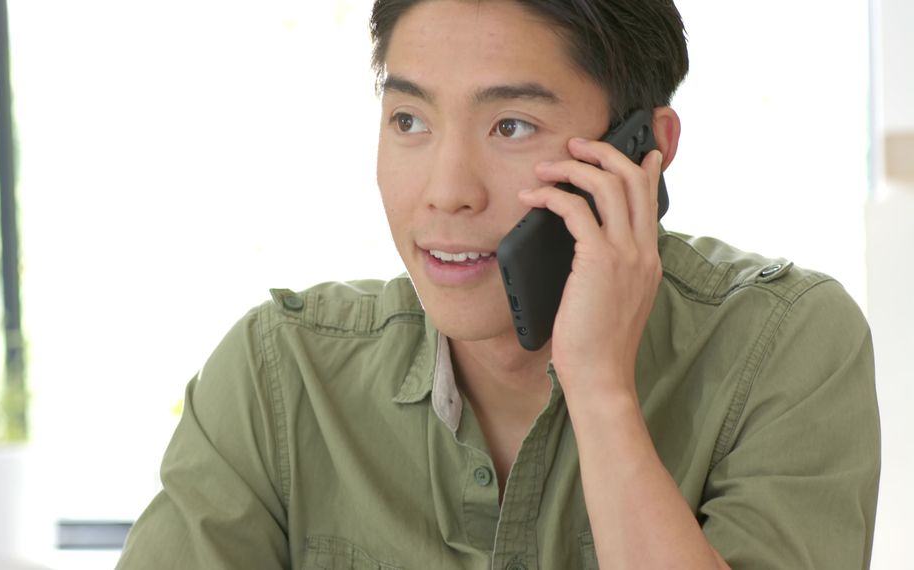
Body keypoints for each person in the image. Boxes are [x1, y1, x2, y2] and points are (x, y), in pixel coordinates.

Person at [116, 1, 880, 568]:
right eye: (409, 121)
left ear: (642, 150)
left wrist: (600, 390)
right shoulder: (279, 374)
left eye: (511, 126)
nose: (447, 192)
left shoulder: (786, 345)